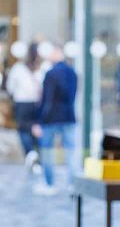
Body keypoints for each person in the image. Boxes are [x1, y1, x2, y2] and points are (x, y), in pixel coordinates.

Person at [32, 43, 78, 195]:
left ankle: (49, 183)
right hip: (68, 117)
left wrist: (40, 120)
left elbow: (48, 100)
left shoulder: (51, 74)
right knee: (71, 152)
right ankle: (72, 184)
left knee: (47, 151)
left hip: (51, 119)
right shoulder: (72, 73)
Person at [5, 43, 41, 170]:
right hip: (36, 103)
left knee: (23, 129)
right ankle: (35, 155)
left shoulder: (18, 68)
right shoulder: (39, 68)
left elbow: (10, 87)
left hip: (22, 103)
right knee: (34, 129)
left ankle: (30, 153)